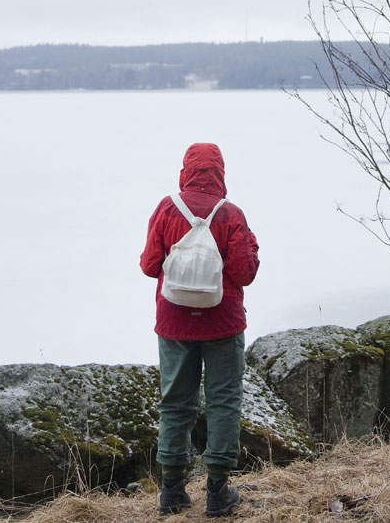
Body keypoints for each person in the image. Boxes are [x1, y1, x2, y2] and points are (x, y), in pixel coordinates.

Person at [140, 143, 260, 517]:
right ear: (220, 172)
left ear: (186, 170)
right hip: (223, 323)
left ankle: (172, 491)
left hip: (174, 322)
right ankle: (218, 491)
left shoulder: (166, 208)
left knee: (175, 403)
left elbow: (148, 265)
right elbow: (245, 273)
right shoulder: (230, 214)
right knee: (223, 401)